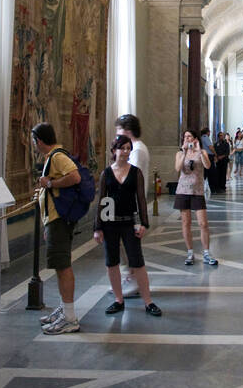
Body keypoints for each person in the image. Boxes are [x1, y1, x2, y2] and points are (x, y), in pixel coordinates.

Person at [94, 136, 161, 316]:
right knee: (112, 262)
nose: (125, 151)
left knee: (137, 261)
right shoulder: (106, 174)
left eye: (128, 148)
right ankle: (118, 299)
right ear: (114, 150)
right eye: (122, 148)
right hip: (110, 224)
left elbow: (140, 199)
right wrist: (97, 228)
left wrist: (144, 223)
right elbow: (101, 201)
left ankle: (148, 301)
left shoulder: (135, 172)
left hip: (129, 223)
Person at [34, 123, 84, 335]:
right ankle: (65, 310)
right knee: (59, 264)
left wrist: (50, 184)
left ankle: (70, 317)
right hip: (54, 220)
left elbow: (75, 176)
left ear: (40, 140)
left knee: (63, 265)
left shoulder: (56, 157)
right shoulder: (51, 157)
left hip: (59, 220)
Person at [114, 114, 150, 290]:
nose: (117, 135)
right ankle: (130, 277)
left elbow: (130, 178)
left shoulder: (136, 150)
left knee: (129, 244)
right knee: (124, 243)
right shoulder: (135, 148)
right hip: (128, 205)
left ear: (127, 131)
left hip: (131, 206)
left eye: (119, 131)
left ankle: (133, 279)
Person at [175, 128, 218, 266]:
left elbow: (208, 165)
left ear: (195, 139)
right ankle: (190, 252)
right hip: (183, 190)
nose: (187, 139)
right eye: (185, 137)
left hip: (197, 191)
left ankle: (206, 253)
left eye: (190, 137)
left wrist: (199, 151)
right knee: (185, 223)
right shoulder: (180, 153)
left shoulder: (202, 152)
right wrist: (184, 152)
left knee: (203, 223)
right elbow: (177, 168)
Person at [211, 128, 231, 193]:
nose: (221, 137)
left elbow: (227, 152)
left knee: (223, 173)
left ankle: (223, 186)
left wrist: (222, 156)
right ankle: (218, 186)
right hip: (218, 161)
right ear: (218, 137)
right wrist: (216, 157)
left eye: (222, 135)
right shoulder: (215, 144)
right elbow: (214, 151)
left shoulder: (226, 144)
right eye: (220, 136)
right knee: (217, 174)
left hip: (224, 160)